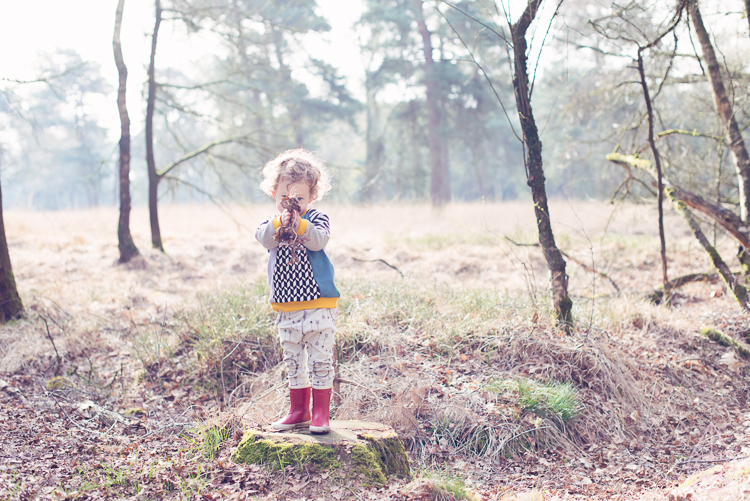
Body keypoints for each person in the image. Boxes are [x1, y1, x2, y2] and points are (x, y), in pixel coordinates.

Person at [255, 148, 339, 434]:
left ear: (311, 197)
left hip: (318, 303)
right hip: (286, 306)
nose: (291, 204)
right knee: (293, 360)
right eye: (285, 199)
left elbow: (318, 241)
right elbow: (264, 239)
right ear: (274, 194)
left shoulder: (316, 218)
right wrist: (280, 222)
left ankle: (320, 413)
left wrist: (299, 223)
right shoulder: (272, 224)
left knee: (319, 359)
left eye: (299, 199)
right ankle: (298, 409)